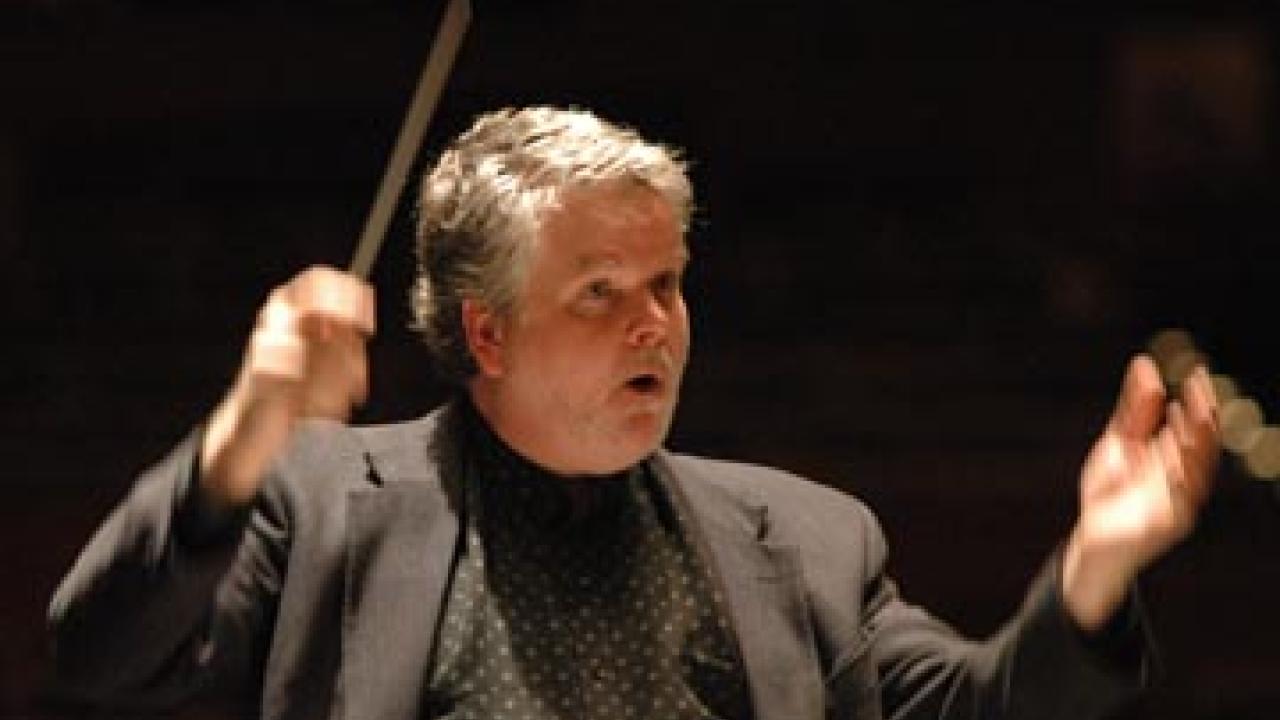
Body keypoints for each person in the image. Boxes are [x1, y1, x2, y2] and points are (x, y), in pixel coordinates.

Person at [48, 106, 1219, 720]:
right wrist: (237, 442)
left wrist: (1092, 574)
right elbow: (102, 657)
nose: (653, 323)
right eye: (599, 294)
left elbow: (979, 711)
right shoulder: (317, 504)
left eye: (664, 283)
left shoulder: (810, 540)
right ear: (485, 332)